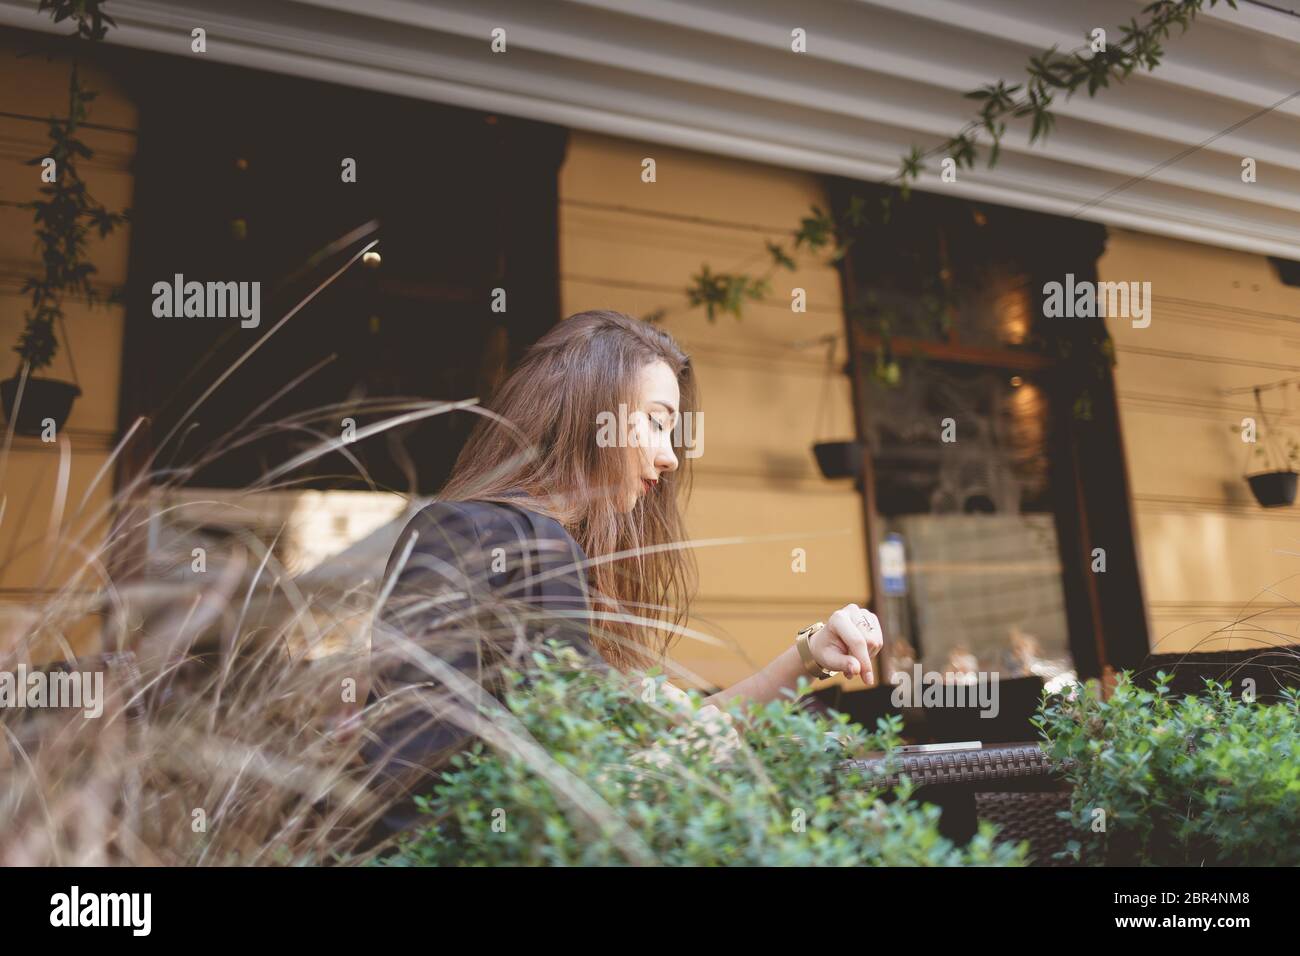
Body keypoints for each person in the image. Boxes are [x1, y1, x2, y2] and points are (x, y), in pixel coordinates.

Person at [363, 310, 883, 843]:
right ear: (592, 415)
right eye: (655, 422)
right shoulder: (507, 536)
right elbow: (432, 774)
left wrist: (808, 654)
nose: (669, 457)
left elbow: (652, 737)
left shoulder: (510, 537)